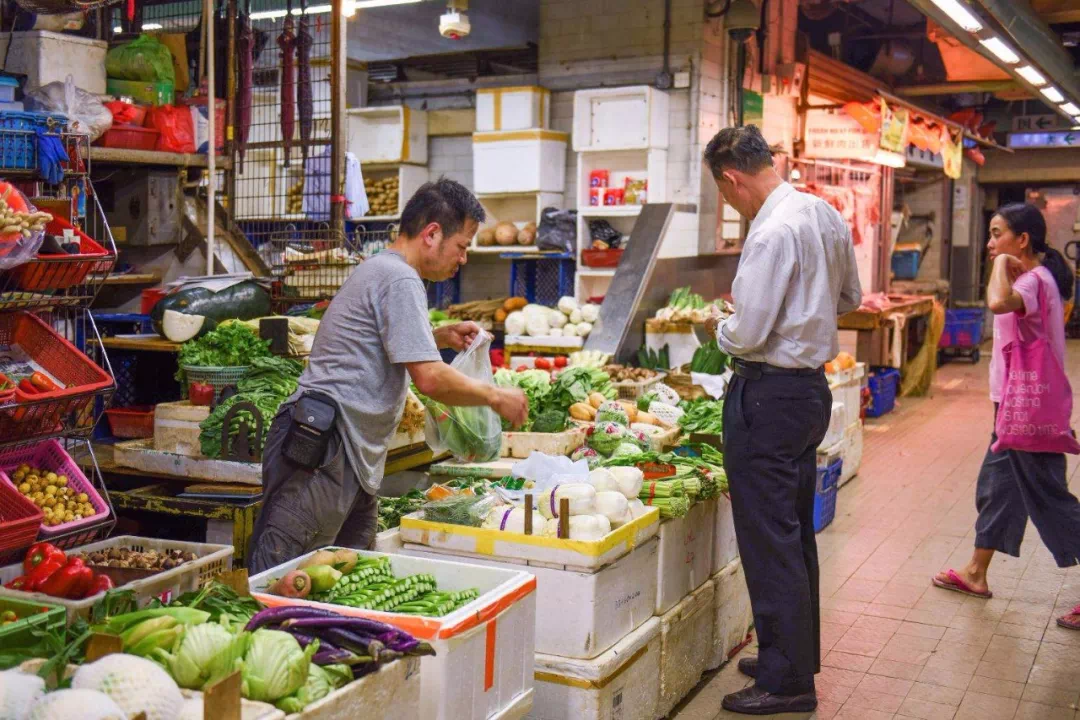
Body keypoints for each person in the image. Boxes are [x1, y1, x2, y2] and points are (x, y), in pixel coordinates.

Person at [248, 178, 528, 575]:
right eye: (462, 246)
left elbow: (379, 346)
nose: (463, 258)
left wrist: (438, 336)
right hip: (324, 450)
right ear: (432, 234)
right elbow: (430, 379)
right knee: (282, 579)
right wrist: (494, 396)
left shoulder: (388, 271)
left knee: (351, 579)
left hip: (349, 455)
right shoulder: (399, 278)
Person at [702, 125, 862, 715]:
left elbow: (747, 332)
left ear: (732, 178)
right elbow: (850, 298)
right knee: (792, 531)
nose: (730, 204)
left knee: (769, 540)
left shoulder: (769, 232)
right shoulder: (821, 213)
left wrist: (720, 326)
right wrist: (804, 312)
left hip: (767, 399)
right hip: (807, 394)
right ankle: (788, 654)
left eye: (724, 195)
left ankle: (788, 681)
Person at [932, 203, 1080, 630]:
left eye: (998, 234)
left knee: (1051, 500)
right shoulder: (1038, 278)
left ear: (1023, 241)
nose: (991, 243)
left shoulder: (1034, 280)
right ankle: (976, 572)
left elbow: (997, 303)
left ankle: (978, 571)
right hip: (1014, 407)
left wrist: (999, 264)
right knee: (997, 488)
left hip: (1029, 412)